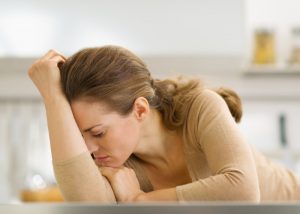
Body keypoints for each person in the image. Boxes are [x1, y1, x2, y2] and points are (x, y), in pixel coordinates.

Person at [28, 46, 300, 203]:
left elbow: (242, 191)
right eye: (81, 135)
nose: (87, 148)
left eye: (97, 132)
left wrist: (140, 200)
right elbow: (89, 204)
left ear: (140, 110)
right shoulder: (116, 162)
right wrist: (53, 98)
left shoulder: (198, 106)